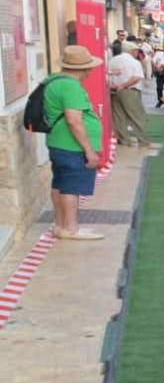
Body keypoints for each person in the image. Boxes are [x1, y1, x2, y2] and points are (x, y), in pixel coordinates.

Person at [40, 45, 107, 241]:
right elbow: (74, 120)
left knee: (60, 184)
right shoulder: (71, 86)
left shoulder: (53, 81)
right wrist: (89, 151)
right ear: (84, 68)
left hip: (58, 143)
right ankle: (71, 228)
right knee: (71, 187)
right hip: (72, 146)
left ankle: (60, 225)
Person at [106, 46, 150, 148]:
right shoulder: (134, 62)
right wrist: (124, 85)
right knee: (136, 116)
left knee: (118, 116)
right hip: (129, 90)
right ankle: (143, 140)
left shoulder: (112, 60)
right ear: (133, 51)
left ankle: (124, 139)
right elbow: (137, 77)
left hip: (114, 90)